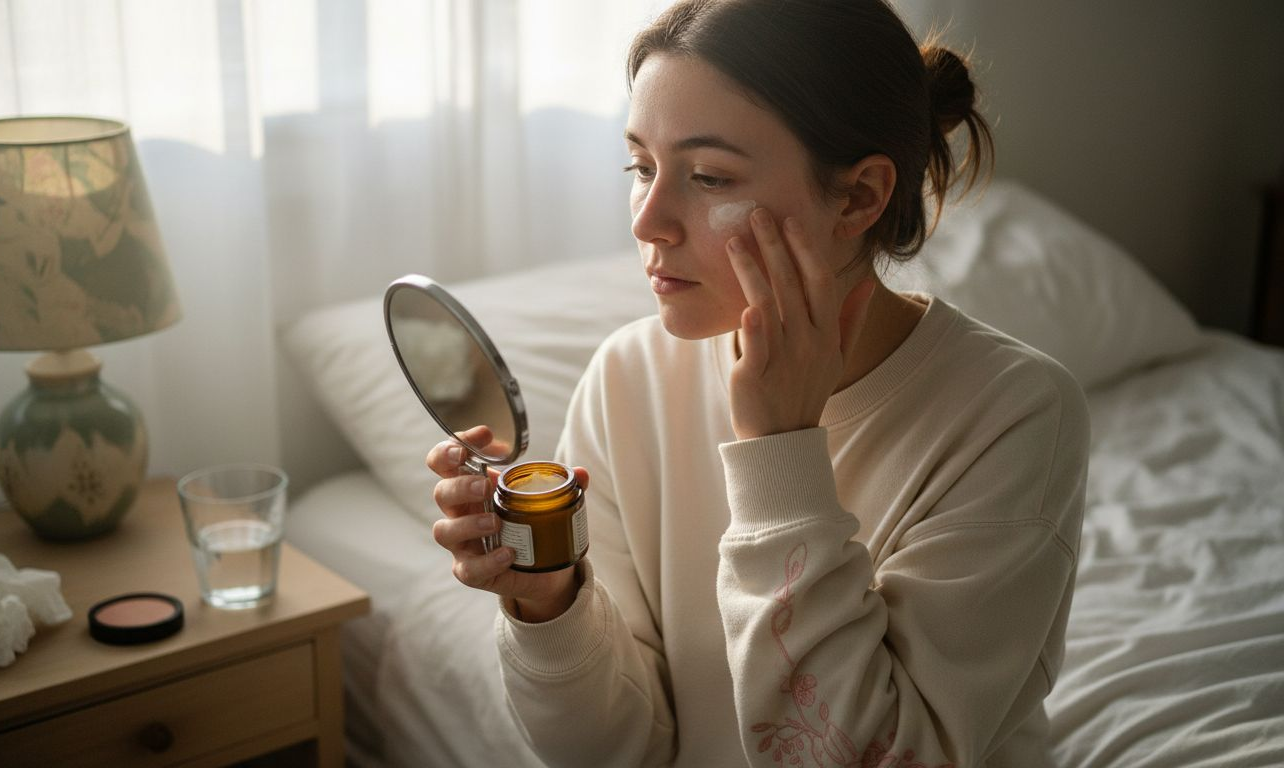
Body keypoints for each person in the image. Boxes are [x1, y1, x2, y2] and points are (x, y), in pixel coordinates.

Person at [427, 0, 1089, 765]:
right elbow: (613, 751)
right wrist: (547, 598)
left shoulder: (1015, 414)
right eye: (641, 167)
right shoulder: (627, 378)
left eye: (707, 176)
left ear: (861, 196)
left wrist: (780, 452)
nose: (647, 221)